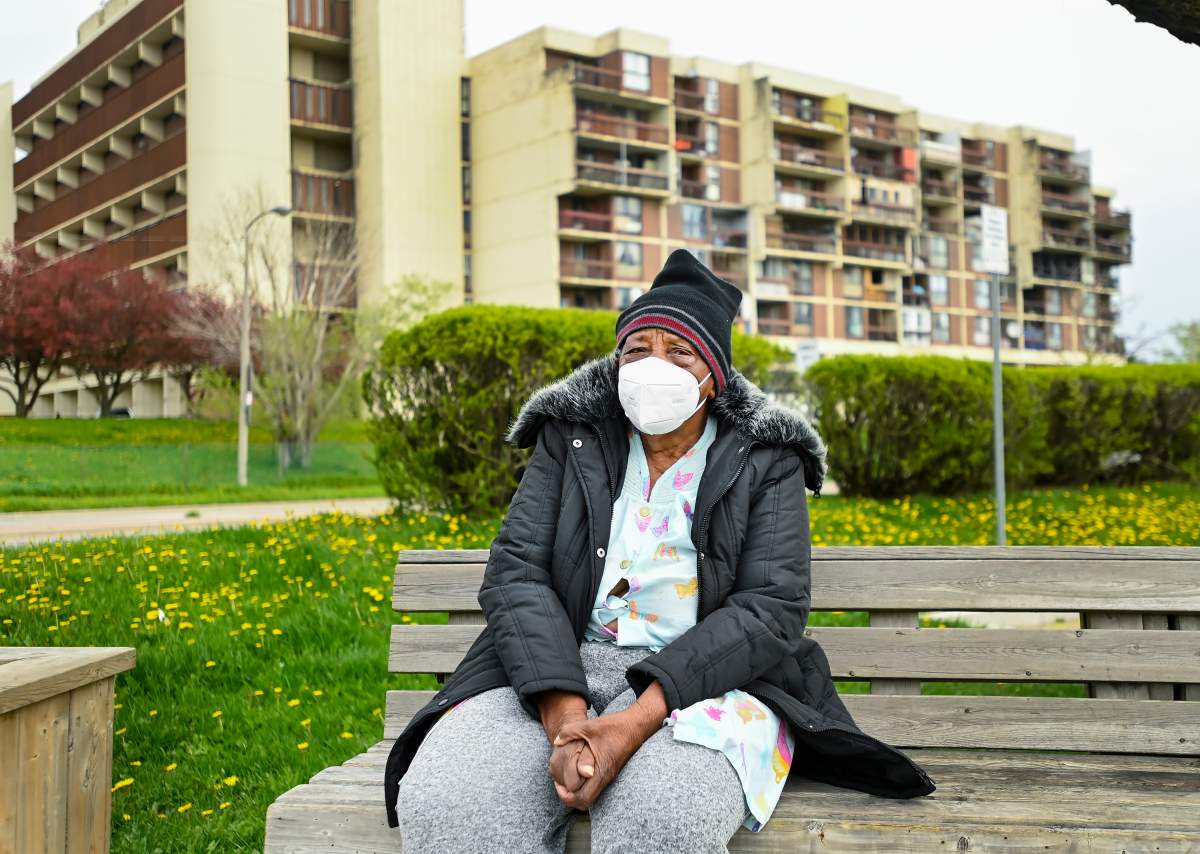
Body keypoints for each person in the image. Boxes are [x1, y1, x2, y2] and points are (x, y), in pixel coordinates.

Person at [384, 249, 936, 853]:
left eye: (680, 352)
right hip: (553, 666)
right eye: (637, 349)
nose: (654, 366)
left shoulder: (766, 459)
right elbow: (516, 571)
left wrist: (631, 723)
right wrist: (568, 720)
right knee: (449, 801)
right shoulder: (569, 437)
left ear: (713, 376)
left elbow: (771, 607)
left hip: (708, 685)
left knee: (663, 819)